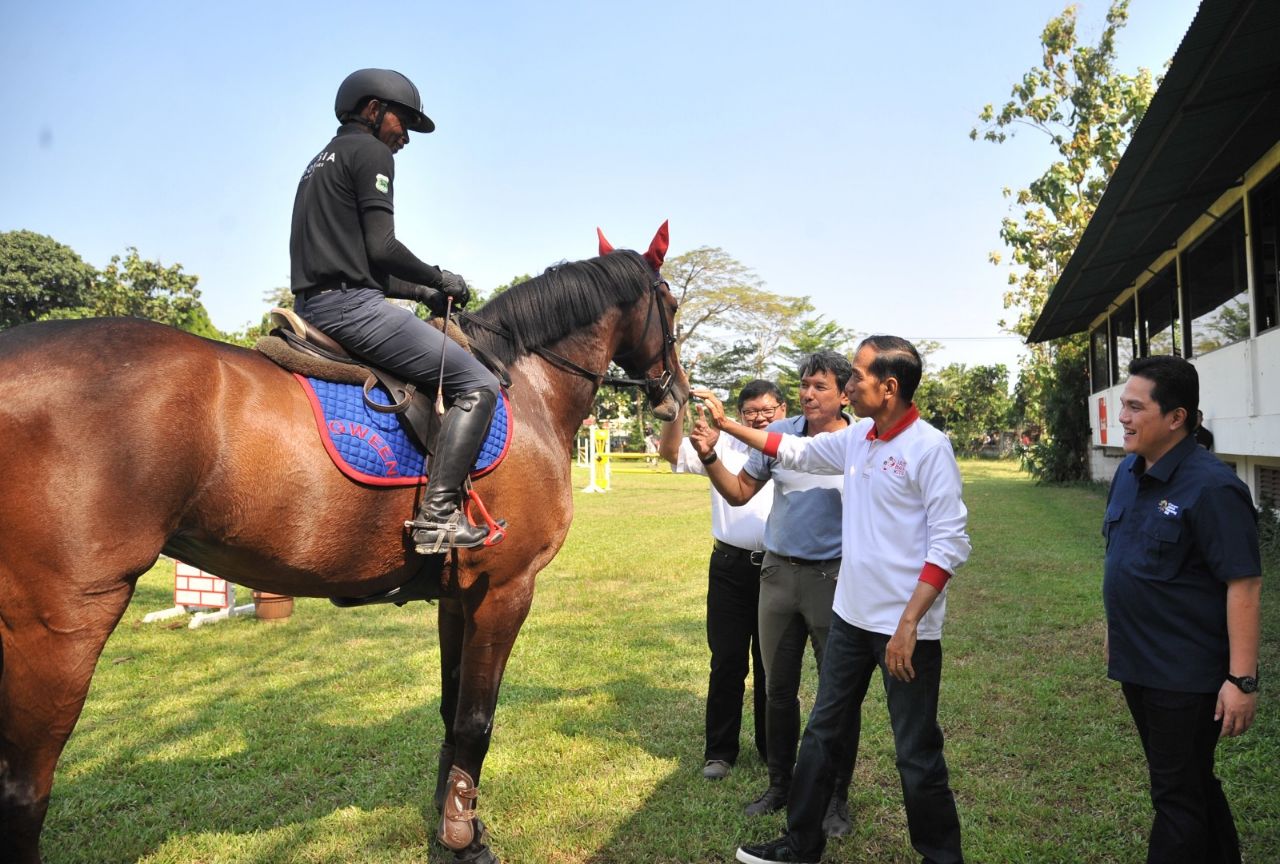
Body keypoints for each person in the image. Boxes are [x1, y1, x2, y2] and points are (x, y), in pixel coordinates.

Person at [696, 335, 970, 864]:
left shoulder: (928, 448)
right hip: (850, 615)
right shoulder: (862, 435)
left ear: (889, 388)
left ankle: (941, 856)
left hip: (903, 629)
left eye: (857, 377)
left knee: (915, 754)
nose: (847, 386)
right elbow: (796, 449)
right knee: (822, 732)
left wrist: (910, 622)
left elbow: (951, 540)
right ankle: (801, 845)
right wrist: (728, 425)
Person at [290, 68, 501, 552]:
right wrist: (438, 277)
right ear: (371, 110)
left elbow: (356, 260)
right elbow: (382, 247)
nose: (404, 136)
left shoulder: (318, 163)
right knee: (478, 384)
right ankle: (439, 518)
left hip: (315, 303)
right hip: (351, 309)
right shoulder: (372, 152)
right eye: (402, 122)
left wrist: (420, 294)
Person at [1103, 356, 1260, 864]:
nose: (1121, 417)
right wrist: (1116, 627)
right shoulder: (1129, 470)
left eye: (1134, 406)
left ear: (1176, 417)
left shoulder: (1213, 488)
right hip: (1138, 662)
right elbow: (1124, 556)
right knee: (1190, 782)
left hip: (1184, 676)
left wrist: (1241, 680)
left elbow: (1244, 584)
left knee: (1174, 797)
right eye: (1121, 404)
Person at [690, 353, 856, 835]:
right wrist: (708, 455)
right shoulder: (780, 432)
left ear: (845, 394)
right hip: (778, 575)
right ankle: (780, 784)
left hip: (836, 578)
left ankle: (834, 799)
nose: (808, 394)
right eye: (804, 385)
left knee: (836, 696)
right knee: (778, 691)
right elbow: (740, 492)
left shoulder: (859, 441)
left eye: (820, 386)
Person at [659, 380, 783, 782]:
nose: (760, 417)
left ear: (783, 410)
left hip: (777, 569)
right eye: (751, 412)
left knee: (772, 666)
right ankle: (720, 752)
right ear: (740, 414)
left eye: (767, 410)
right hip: (729, 567)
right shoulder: (723, 445)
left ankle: (773, 750)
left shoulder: (793, 449)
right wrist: (674, 407)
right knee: (727, 661)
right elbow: (669, 452)